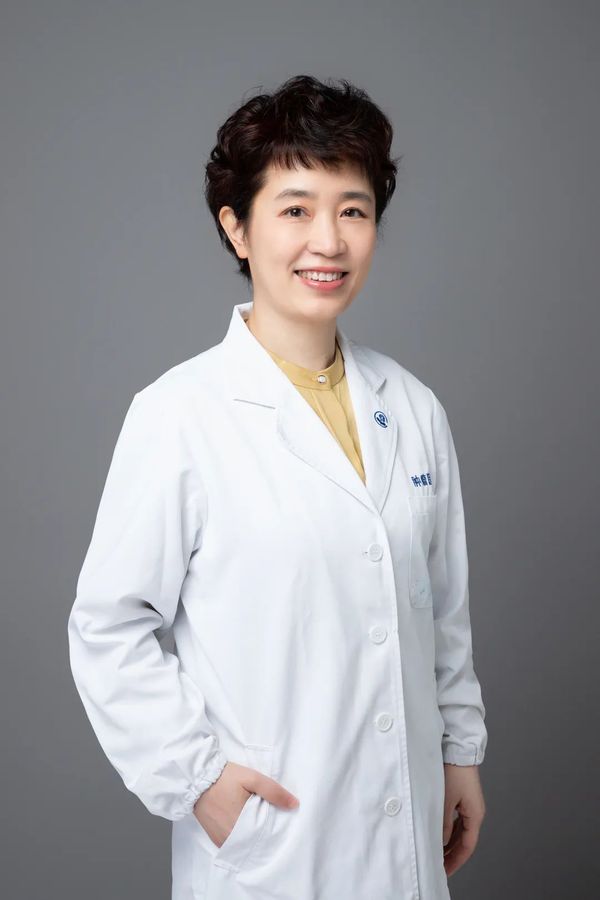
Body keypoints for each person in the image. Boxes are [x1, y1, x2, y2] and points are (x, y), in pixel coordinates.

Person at [67, 73, 487, 900]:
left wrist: (460, 754)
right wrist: (198, 782)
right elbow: (108, 628)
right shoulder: (180, 414)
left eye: (353, 210)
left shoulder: (413, 408)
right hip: (275, 847)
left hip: (407, 832)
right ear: (237, 228)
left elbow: (440, 610)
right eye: (295, 209)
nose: (327, 241)